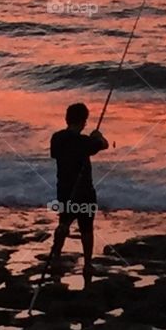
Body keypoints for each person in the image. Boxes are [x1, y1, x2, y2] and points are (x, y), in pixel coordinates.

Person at [48, 101, 109, 289]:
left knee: (63, 223)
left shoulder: (57, 138)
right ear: (84, 121)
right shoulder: (85, 142)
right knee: (86, 228)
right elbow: (104, 145)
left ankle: (56, 256)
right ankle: (88, 265)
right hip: (84, 191)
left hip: (65, 190)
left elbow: (55, 155)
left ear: (67, 119)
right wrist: (97, 136)